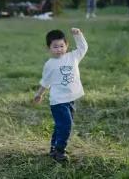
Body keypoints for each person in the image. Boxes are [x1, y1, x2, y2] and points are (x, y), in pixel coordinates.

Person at [34, 28, 88, 162]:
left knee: (60, 125)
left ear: (67, 45)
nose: (59, 49)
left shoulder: (73, 56)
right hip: (58, 101)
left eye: (61, 46)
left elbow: (83, 47)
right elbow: (45, 82)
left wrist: (78, 35)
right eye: (55, 46)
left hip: (71, 99)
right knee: (66, 125)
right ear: (49, 48)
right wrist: (39, 94)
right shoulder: (50, 64)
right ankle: (60, 151)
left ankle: (53, 148)